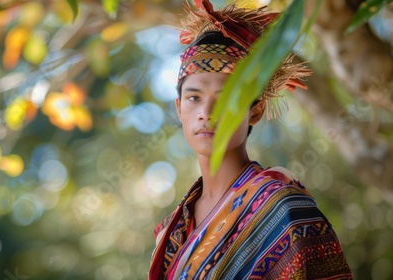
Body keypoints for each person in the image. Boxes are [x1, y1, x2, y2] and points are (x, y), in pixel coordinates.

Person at [148, 1, 352, 279]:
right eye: (194, 98)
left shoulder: (286, 211)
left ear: (255, 110)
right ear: (179, 108)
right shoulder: (170, 232)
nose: (206, 114)